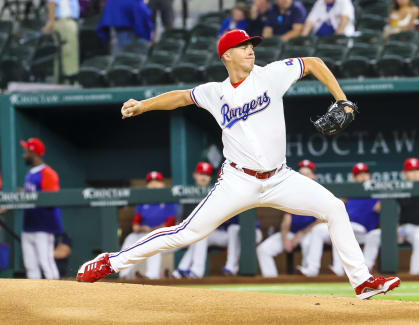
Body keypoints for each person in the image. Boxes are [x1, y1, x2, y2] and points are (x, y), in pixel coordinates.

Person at [78, 29, 400, 300]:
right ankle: (111, 262)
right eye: (243, 47)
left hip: (280, 178)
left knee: (334, 208)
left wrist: (341, 98)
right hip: (237, 181)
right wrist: (143, 105)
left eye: (251, 46)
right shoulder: (214, 93)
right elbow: (180, 97)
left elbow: (313, 63)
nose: (250, 51)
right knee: (185, 234)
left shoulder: (271, 75)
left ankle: (361, 281)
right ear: (226, 56)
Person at [257, 160, 331, 277]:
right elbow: (287, 220)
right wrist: (284, 237)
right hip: (292, 233)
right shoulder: (291, 193)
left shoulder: (320, 192)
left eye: (307, 174)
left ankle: (308, 276)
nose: (304, 177)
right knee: (263, 249)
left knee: (308, 242)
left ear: (313, 176)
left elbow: (321, 220)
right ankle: (271, 281)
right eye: (301, 174)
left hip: (309, 233)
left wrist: (302, 233)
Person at [119, 171, 178, 279]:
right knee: (130, 238)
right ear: (147, 185)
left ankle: (152, 276)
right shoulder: (143, 201)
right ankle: (123, 274)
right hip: (144, 233)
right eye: (151, 182)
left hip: (166, 237)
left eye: (157, 181)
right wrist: (142, 228)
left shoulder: (169, 200)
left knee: (154, 240)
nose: (154, 184)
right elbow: (135, 226)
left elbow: (170, 224)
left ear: (163, 184)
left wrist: (152, 230)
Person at [20, 138, 63, 280]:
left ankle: (55, 297)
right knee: (30, 266)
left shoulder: (47, 173)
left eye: (26, 151)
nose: (24, 154)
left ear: (34, 153)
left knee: (46, 263)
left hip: (44, 226)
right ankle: (35, 300)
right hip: (28, 226)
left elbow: (52, 200)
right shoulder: (30, 173)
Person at [330, 162, 381, 276]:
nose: (363, 177)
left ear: (370, 176)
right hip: (348, 229)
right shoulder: (349, 193)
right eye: (359, 174)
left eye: (365, 173)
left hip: (364, 232)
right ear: (354, 178)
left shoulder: (377, 192)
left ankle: (367, 268)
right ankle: (338, 268)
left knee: (376, 234)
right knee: (338, 229)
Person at [173, 215, 263, 278]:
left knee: (233, 229)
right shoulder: (217, 202)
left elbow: (241, 223)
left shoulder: (237, 198)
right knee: (202, 234)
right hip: (228, 235)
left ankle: (231, 267)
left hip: (251, 233)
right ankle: (191, 270)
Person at [42, 0, 80, 83]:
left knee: (67, 51)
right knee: (68, 51)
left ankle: (65, 79)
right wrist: (51, 22)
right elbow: (52, 3)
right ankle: (68, 80)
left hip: (67, 21)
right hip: (64, 22)